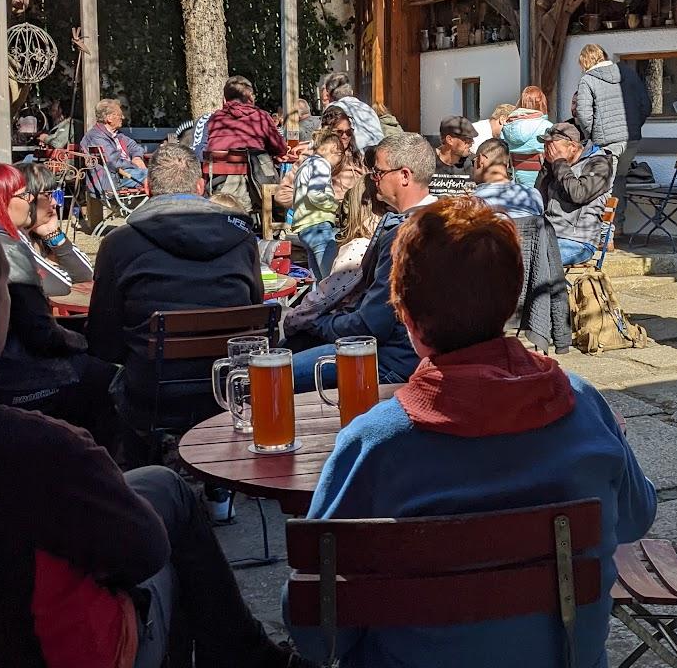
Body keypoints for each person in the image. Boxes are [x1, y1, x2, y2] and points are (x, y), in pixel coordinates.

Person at [0, 202, 303, 668]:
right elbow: (142, 553)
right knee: (163, 530)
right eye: (6, 288)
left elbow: (105, 334)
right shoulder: (37, 449)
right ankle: (248, 656)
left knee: (160, 485)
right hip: (46, 650)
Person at [283, 195, 657, 668]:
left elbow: (317, 630)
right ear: (511, 301)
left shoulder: (374, 444)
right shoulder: (584, 406)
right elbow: (636, 518)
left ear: (407, 318)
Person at [87, 142, 264, 437]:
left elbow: (103, 340)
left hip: (152, 397)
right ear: (200, 187)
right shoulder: (243, 237)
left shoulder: (118, 243)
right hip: (229, 393)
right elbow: (255, 316)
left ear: (147, 188)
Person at [0, 164, 117, 441]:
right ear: (0, 200)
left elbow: (81, 275)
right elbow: (41, 328)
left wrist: (54, 235)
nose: (52, 203)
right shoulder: (4, 244)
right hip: (11, 371)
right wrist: (84, 341)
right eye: (34, 195)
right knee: (107, 377)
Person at [282, 133, 436, 392]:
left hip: (392, 362)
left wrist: (318, 324)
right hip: (424, 358)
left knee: (268, 375)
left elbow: (372, 325)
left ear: (404, 176)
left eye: (378, 172)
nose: (374, 179)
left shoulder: (405, 233)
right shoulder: (447, 221)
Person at [573, 43, 652, 221]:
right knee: (619, 180)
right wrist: (633, 127)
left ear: (584, 62)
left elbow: (583, 114)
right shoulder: (628, 73)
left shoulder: (588, 80)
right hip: (631, 141)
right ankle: (618, 225)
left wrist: (592, 135)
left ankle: (606, 229)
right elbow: (646, 106)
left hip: (606, 143)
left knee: (604, 186)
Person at [193, 75, 287, 205]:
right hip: (256, 186)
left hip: (217, 186)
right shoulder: (261, 117)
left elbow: (200, 152)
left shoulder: (213, 119)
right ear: (250, 97)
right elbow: (281, 148)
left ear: (224, 99)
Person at [536, 121, 614, 267]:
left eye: (553, 148)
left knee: (534, 260)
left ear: (572, 147)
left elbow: (578, 194)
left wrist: (558, 162)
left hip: (578, 242)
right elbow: (539, 199)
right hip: (548, 235)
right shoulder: (556, 165)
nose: (549, 152)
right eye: (546, 147)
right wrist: (547, 166)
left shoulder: (599, 164)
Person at [290, 133, 346, 280]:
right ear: (334, 149)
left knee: (317, 279)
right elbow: (315, 194)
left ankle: (315, 296)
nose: (338, 162)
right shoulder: (321, 164)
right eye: (340, 155)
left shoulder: (306, 164)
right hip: (318, 226)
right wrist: (336, 206)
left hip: (304, 227)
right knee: (330, 278)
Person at [81, 98, 148, 190]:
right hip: (112, 179)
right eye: (119, 115)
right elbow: (114, 163)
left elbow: (133, 146)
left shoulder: (116, 134)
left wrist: (137, 157)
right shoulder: (96, 137)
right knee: (156, 175)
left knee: (160, 174)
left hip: (125, 174)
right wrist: (136, 166)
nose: (123, 117)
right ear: (109, 118)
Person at [472, 138, 544, 218]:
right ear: (507, 165)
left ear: (481, 160)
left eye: (473, 161)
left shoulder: (474, 203)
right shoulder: (533, 194)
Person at [501, 85, 552, 187]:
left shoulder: (506, 127)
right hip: (542, 182)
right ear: (542, 103)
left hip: (516, 181)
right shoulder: (547, 126)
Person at [320, 72, 384, 152]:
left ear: (330, 95)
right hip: (379, 153)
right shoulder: (367, 108)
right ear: (351, 92)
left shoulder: (333, 108)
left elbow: (320, 140)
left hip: (356, 156)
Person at [430, 115, 477, 197]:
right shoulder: (428, 161)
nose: (472, 143)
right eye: (466, 139)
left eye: (472, 139)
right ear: (450, 140)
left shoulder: (473, 163)